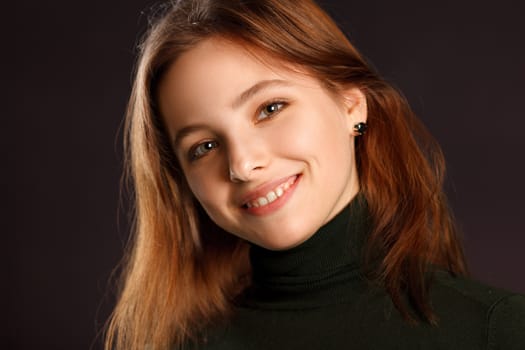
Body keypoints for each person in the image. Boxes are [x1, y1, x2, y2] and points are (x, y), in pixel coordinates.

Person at [105, 0, 525, 349]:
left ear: (350, 104)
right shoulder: (177, 345)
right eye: (204, 147)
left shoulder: (494, 331)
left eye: (270, 108)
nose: (242, 164)